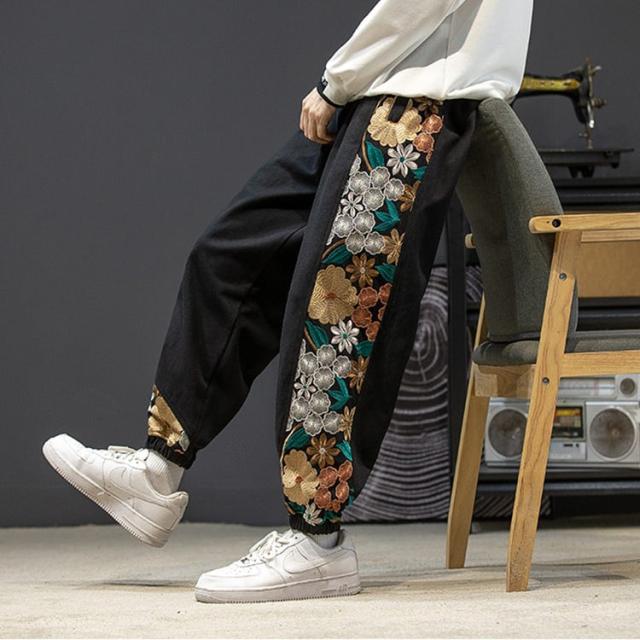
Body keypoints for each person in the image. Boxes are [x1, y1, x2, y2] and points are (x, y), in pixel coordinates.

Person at [43, 0, 533, 604]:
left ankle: (317, 542)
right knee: (232, 256)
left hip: (418, 103)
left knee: (335, 317)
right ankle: (158, 469)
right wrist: (349, 85)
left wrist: (336, 80)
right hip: (377, 91)